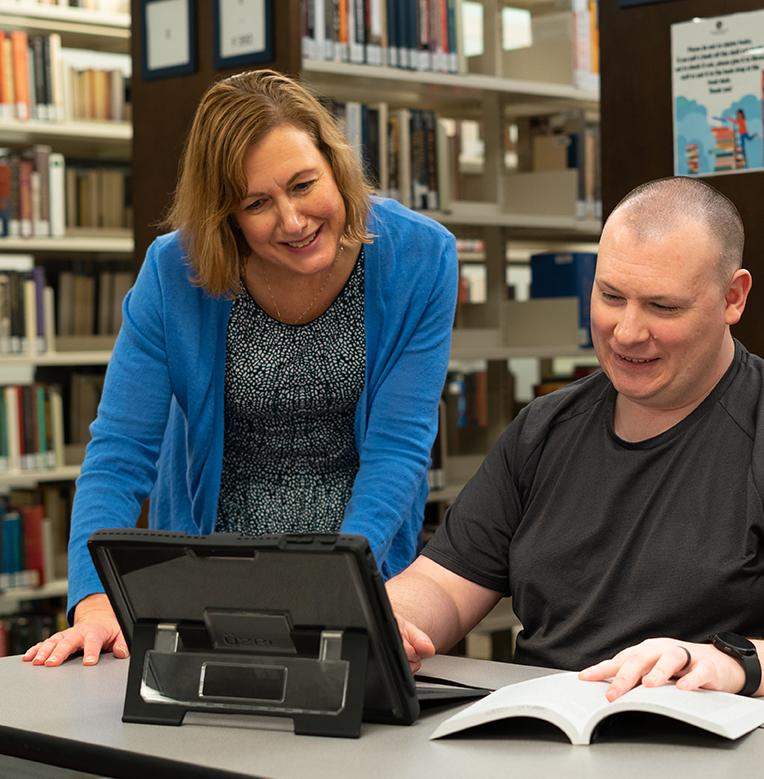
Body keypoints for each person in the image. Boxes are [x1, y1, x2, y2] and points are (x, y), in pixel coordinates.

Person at [387, 176, 764, 708]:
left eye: (663, 307)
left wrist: (733, 663)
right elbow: (446, 584)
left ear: (733, 297)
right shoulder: (543, 429)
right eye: (611, 296)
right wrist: (391, 619)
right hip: (544, 740)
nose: (627, 332)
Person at [24, 70, 458, 668]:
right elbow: (121, 451)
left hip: (360, 566)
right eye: (257, 204)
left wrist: (341, 582)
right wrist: (94, 597)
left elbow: (400, 448)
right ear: (224, 216)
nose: (293, 220)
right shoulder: (174, 271)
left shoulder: (420, 256)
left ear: (336, 164)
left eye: (305, 184)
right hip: (206, 582)